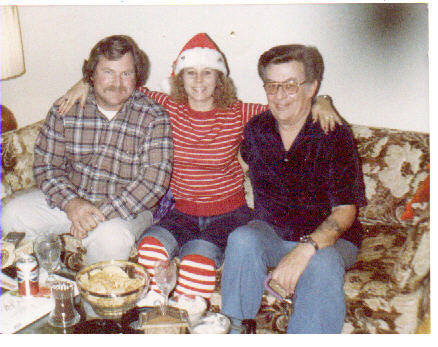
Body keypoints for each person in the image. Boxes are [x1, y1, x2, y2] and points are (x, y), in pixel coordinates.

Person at [57, 33, 340, 300]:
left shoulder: (239, 112)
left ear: (220, 78)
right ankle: (159, 318)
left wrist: (322, 101)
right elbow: (120, 87)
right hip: (181, 213)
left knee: (196, 265)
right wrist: (84, 82)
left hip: (228, 215)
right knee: (149, 251)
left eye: (208, 72)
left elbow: (286, 105)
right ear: (180, 78)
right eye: (191, 72)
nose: (199, 80)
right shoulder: (166, 106)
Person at [220, 44, 366, 333]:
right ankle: (235, 329)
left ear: (311, 87)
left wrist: (305, 250)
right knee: (242, 239)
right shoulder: (256, 129)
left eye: (290, 85)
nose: (280, 96)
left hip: (331, 240)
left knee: (322, 265)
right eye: (272, 86)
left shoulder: (334, 134)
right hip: (273, 231)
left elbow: (346, 210)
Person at [1, 35, 173, 266]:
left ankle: (94, 301)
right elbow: (46, 166)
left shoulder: (154, 116)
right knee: (13, 213)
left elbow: (152, 184)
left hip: (126, 209)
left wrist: (94, 215)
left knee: (111, 239)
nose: (117, 82)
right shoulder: (66, 109)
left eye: (126, 73)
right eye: (108, 72)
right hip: (74, 199)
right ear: (91, 75)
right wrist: (72, 204)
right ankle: (43, 289)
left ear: (137, 76)